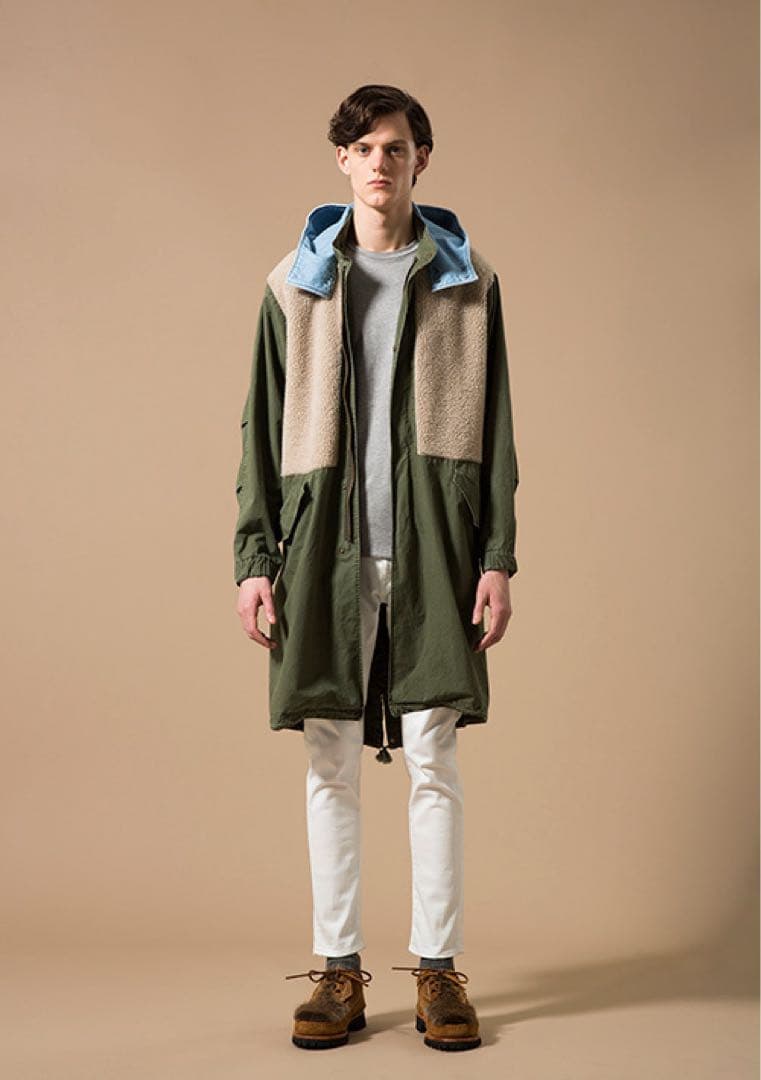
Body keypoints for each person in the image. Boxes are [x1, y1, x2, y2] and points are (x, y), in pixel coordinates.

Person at [233, 84, 519, 1052]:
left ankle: (437, 971)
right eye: (361, 148)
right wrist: (255, 558)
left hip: (436, 550)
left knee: (435, 760)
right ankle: (337, 970)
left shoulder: (469, 283)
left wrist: (496, 556)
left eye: (394, 146)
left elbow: (497, 429)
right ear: (342, 162)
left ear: (420, 158)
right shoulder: (294, 284)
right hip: (323, 554)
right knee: (330, 762)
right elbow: (259, 431)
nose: (378, 163)